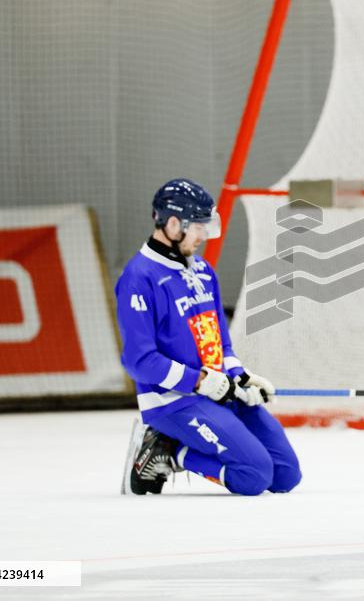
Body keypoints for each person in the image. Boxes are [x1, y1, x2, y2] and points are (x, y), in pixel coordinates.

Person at [116, 178, 301, 496]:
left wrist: (239, 376)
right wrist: (200, 381)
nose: (203, 235)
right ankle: (166, 450)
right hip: (173, 402)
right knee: (253, 476)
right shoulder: (139, 278)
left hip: (216, 392)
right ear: (173, 224)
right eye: (197, 226)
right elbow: (139, 361)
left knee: (285, 475)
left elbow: (220, 341)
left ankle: (176, 443)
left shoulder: (202, 271)